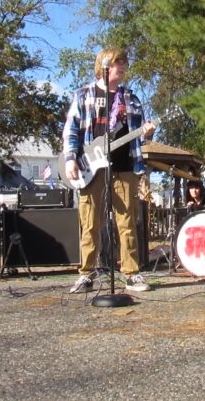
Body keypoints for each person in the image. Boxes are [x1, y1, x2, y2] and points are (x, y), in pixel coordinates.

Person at [63, 47, 156, 294]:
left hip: (125, 166)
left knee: (127, 222)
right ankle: (86, 274)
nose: (123, 66)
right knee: (90, 221)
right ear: (104, 65)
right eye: (118, 62)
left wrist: (148, 132)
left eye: (125, 62)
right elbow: (71, 129)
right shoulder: (84, 95)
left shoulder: (131, 99)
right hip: (91, 168)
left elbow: (139, 136)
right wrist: (71, 159)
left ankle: (132, 273)